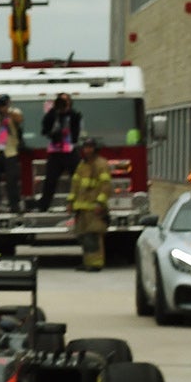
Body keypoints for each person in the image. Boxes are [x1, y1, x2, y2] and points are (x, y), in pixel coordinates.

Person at [67, 137, 114, 271]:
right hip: (81, 208)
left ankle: (96, 263)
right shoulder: (82, 165)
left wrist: (100, 203)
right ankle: (87, 262)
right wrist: (70, 201)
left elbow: (106, 186)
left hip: (95, 208)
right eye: (85, 147)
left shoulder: (101, 164)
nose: (87, 150)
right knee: (83, 236)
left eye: (90, 147)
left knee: (93, 236)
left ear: (95, 149)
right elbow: (75, 185)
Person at [34, 93, 82, 210]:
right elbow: (45, 130)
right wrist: (54, 112)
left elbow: (76, 134)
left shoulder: (74, 115)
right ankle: (43, 206)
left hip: (70, 151)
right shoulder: (52, 114)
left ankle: (80, 202)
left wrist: (67, 112)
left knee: (78, 179)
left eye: (65, 101)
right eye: (60, 101)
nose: (62, 103)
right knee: (50, 181)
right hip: (55, 152)